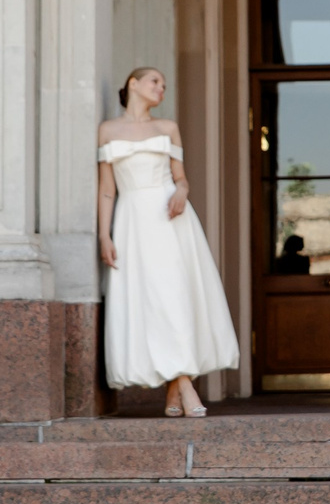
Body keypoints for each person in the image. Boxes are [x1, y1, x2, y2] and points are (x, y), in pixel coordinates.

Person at [98, 67, 238, 415]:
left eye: (164, 85)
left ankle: (182, 388)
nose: (161, 88)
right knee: (150, 300)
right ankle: (179, 387)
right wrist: (104, 234)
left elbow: (182, 179)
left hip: (170, 217)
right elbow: (106, 190)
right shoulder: (107, 130)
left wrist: (181, 192)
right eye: (154, 81)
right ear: (133, 84)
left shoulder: (168, 127)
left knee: (173, 297)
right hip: (132, 220)